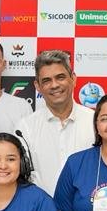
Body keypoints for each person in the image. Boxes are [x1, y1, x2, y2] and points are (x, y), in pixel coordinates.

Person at [16, 50, 95, 196]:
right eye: (46, 80)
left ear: (73, 79)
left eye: (60, 77)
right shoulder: (25, 127)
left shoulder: (94, 121)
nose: (54, 85)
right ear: (37, 86)